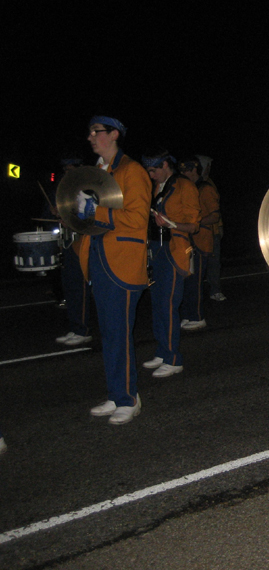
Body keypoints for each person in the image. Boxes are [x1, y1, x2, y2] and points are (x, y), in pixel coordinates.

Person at [81, 115, 151, 425]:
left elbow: (137, 219)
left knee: (119, 334)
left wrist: (94, 210)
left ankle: (128, 398)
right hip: (99, 259)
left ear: (113, 135)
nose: (90, 138)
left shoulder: (132, 171)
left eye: (95, 133)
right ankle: (115, 394)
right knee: (109, 334)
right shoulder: (98, 172)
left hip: (122, 262)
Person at [141, 151, 201, 377]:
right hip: (157, 249)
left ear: (165, 165)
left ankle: (173, 358)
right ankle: (163, 350)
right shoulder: (158, 186)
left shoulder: (185, 186)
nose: (151, 175)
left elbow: (193, 226)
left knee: (168, 305)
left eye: (153, 170)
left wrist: (170, 223)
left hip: (175, 249)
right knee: (157, 304)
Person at [53, 156, 94, 346]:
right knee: (70, 287)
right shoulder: (68, 192)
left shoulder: (89, 190)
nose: (67, 174)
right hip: (69, 243)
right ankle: (75, 326)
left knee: (79, 288)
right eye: (65, 171)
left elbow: (91, 219)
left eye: (70, 170)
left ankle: (82, 329)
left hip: (82, 244)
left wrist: (72, 220)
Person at [179, 157, 220, 330]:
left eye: (185, 170)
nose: (183, 174)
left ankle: (197, 316)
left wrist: (196, 222)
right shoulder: (189, 189)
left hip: (201, 241)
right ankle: (188, 315)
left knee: (195, 281)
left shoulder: (206, 189)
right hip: (189, 242)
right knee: (187, 281)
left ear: (193, 170)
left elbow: (215, 215)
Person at [196, 154, 226, 302]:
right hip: (200, 231)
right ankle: (200, 292)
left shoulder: (208, 184)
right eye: (207, 166)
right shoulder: (198, 185)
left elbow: (215, 209)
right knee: (202, 264)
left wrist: (219, 226)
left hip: (210, 230)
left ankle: (214, 290)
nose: (208, 169)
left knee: (213, 263)